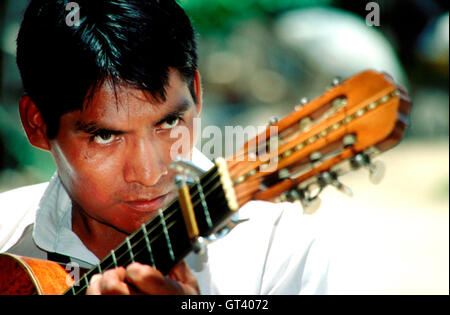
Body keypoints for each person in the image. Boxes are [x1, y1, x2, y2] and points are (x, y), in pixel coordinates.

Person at [0, 0, 330, 295]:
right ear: (37, 124)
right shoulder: (6, 234)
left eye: (168, 124)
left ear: (197, 94)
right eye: (105, 136)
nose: (148, 173)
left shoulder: (277, 249)